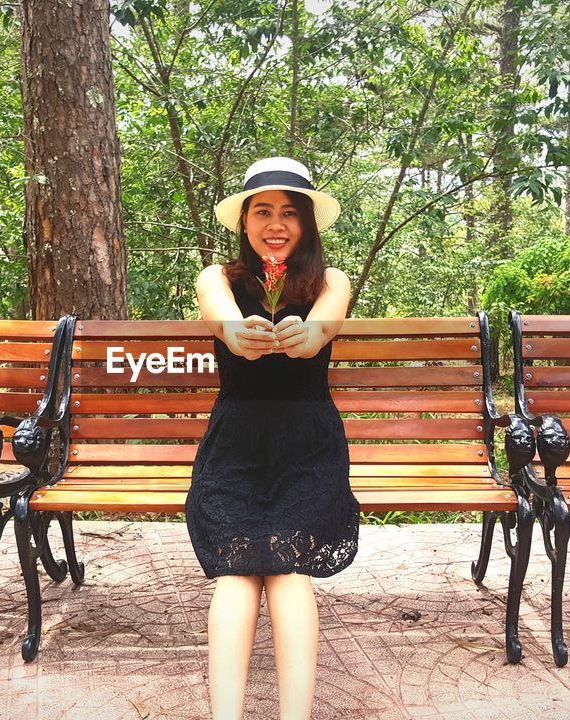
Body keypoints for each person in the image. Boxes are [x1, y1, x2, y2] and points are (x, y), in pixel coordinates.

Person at [185, 157, 361, 720]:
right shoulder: (218, 277)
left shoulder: (331, 280)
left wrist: (306, 332)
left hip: (307, 446)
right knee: (238, 574)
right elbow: (222, 321)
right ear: (244, 221)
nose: (276, 223)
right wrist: (239, 331)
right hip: (235, 445)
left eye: (290, 212)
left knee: (287, 572)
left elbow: (321, 331)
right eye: (263, 211)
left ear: (307, 224)